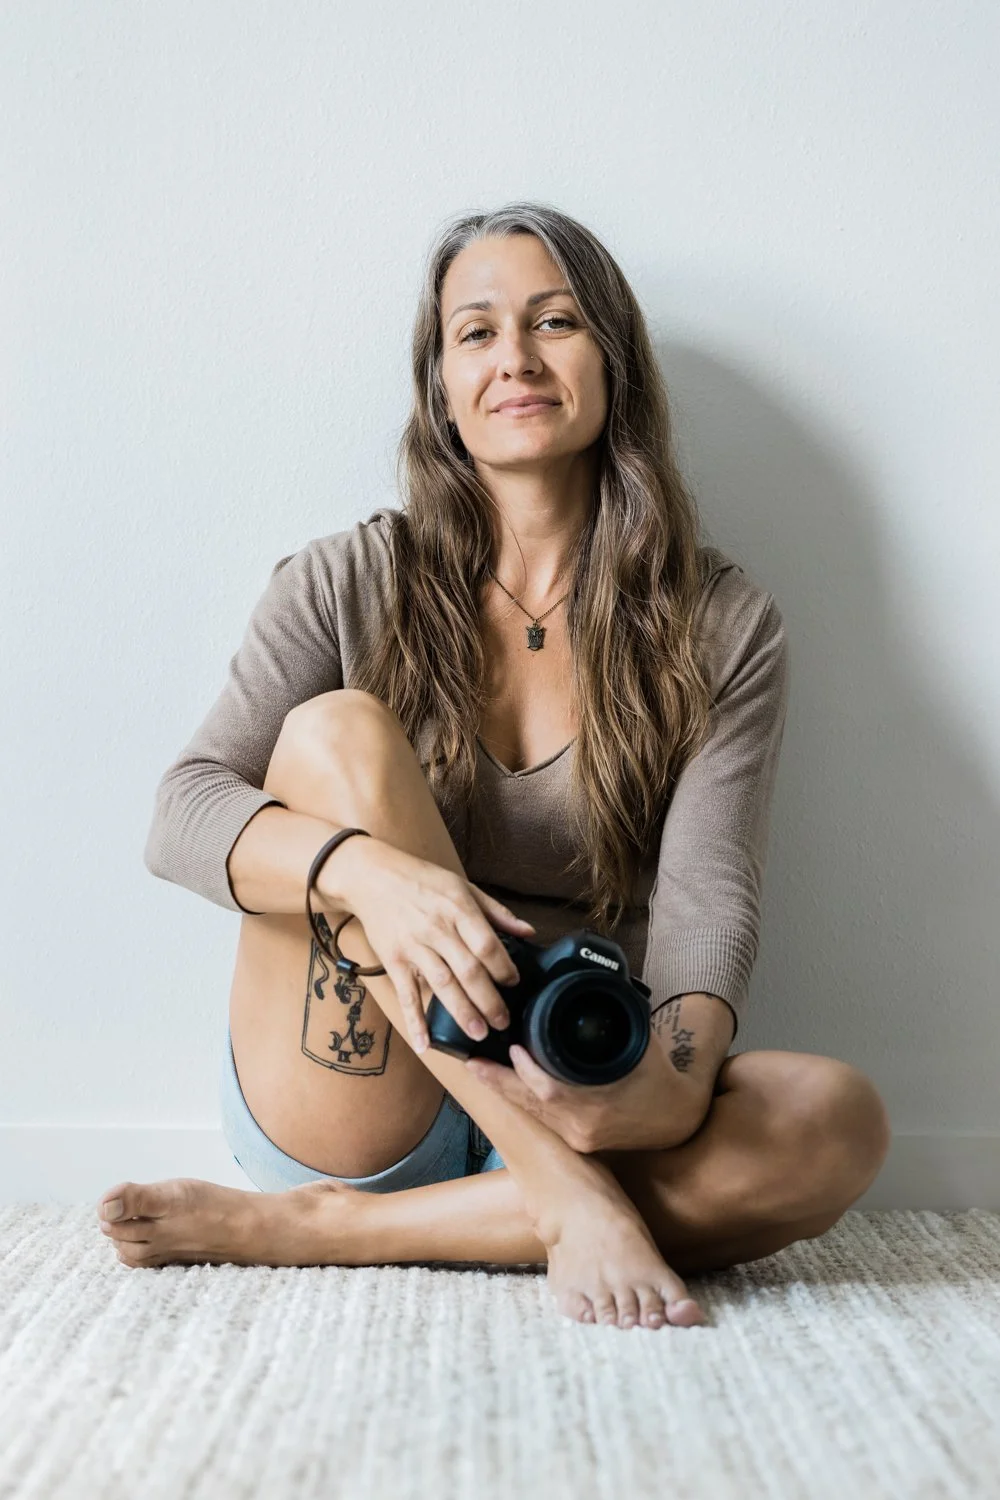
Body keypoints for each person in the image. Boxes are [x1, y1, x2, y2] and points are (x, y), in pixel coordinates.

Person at [97, 203, 890, 1329]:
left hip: (575, 1068)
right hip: (358, 1080)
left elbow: (708, 897)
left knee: (835, 1119)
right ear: (440, 385)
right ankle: (562, 1202)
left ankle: (329, 1231)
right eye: (475, 333)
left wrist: (668, 1080)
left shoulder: (719, 622)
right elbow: (182, 814)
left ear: (611, 360)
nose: (513, 358)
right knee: (338, 735)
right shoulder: (341, 580)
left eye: (553, 321)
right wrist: (375, 877)